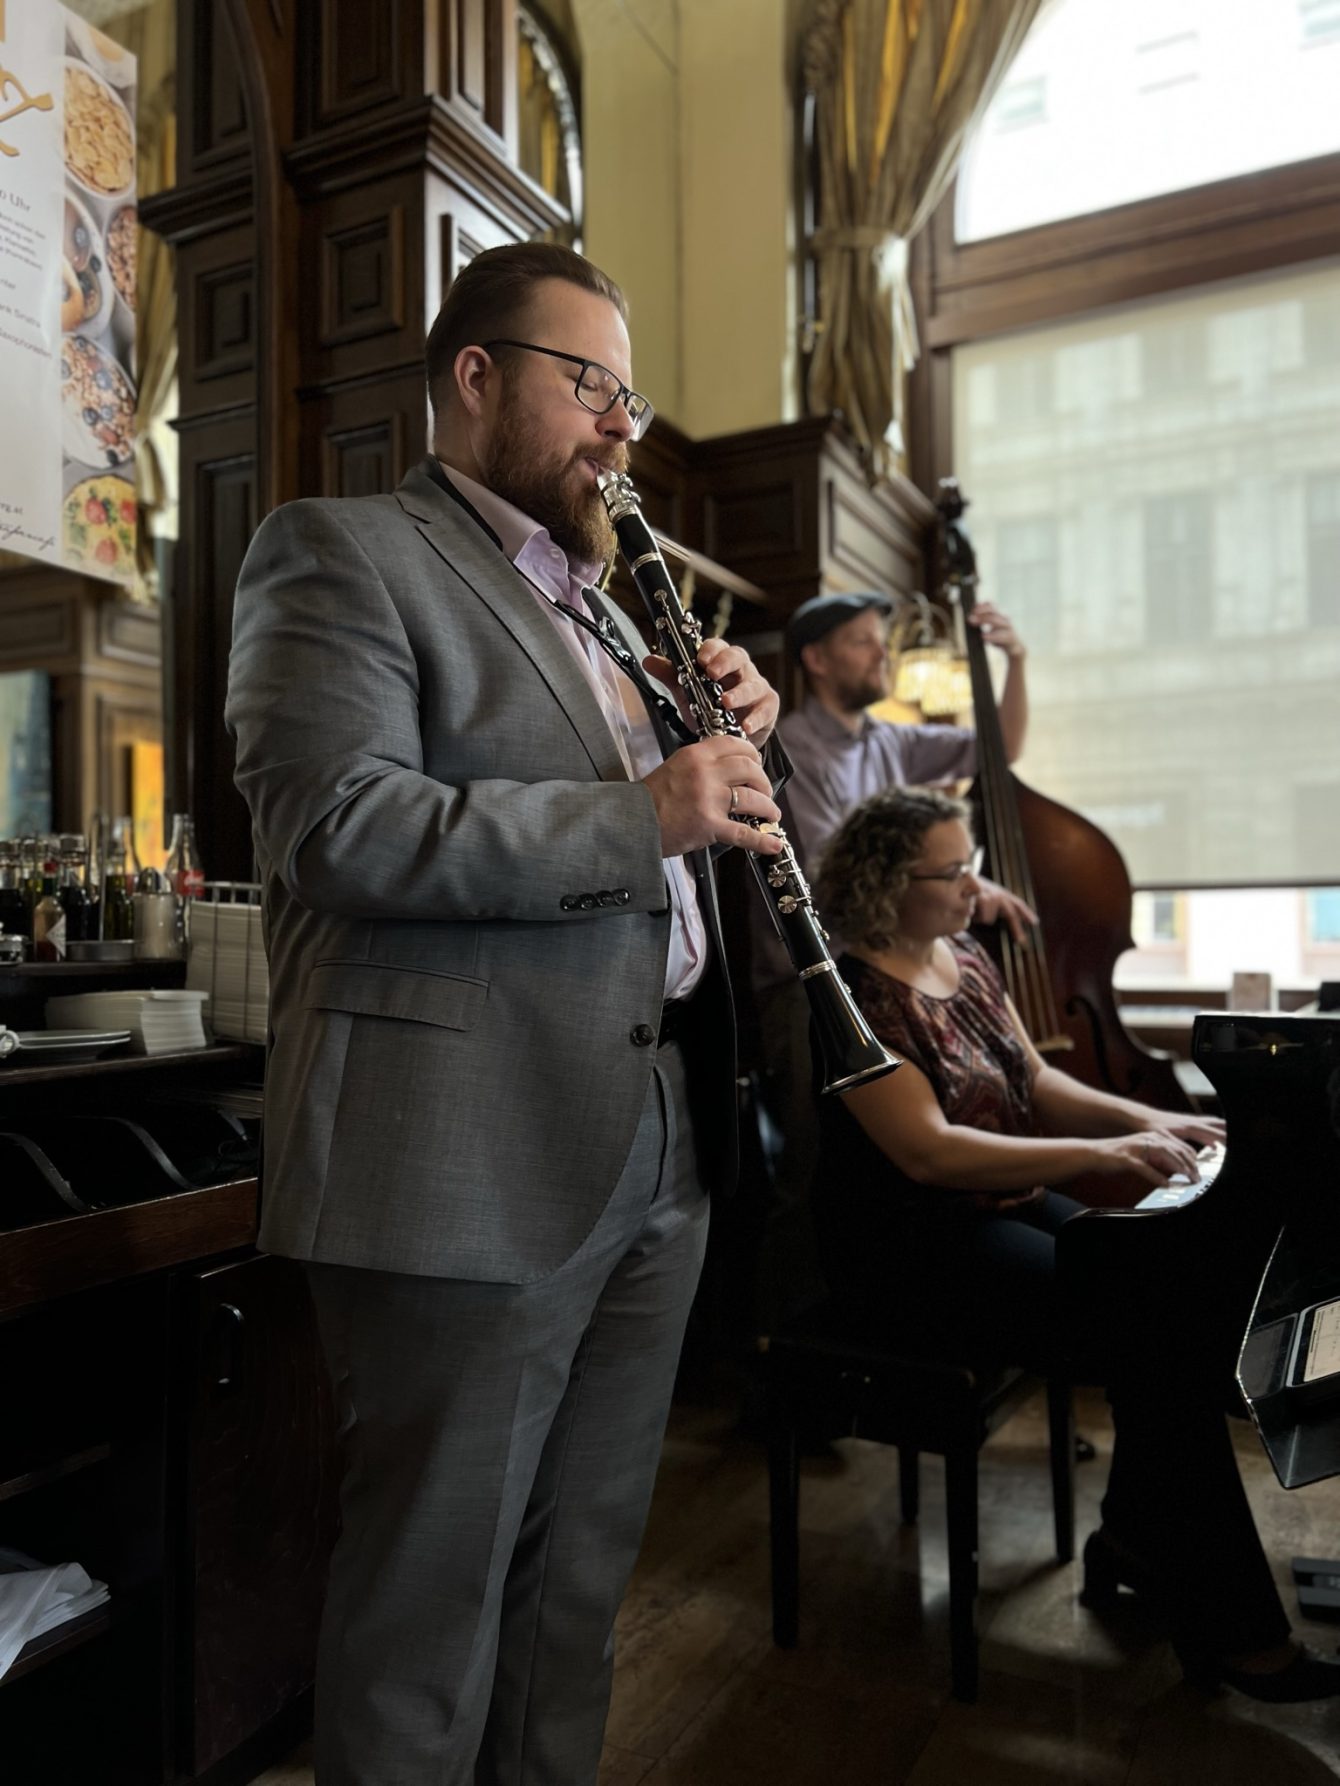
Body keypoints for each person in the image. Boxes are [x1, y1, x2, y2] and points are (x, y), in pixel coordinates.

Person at [225, 241, 787, 1784]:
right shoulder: (337, 549)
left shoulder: (612, 612)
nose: (623, 423)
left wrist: (737, 736)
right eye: (588, 382)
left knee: (577, 1582)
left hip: (654, 1126)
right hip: (459, 1148)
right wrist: (645, 809)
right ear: (475, 377)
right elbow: (336, 826)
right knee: (434, 1596)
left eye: (632, 393)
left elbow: (690, 843)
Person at [808, 785, 1340, 1700]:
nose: (977, 886)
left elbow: (1038, 1080)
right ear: (890, 884)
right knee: (1158, 1340)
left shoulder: (964, 956)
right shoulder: (849, 996)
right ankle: (1234, 1628)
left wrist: (1158, 1117)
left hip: (1000, 1206)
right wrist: (1104, 1151)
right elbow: (928, 1153)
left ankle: (1143, 1543)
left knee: (1162, 1294)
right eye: (954, 871)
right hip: (912, 1248)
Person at [750, 588, 1031, 1328]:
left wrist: (1015, 661)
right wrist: (953, 888)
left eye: (882, 640)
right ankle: (789, 1364)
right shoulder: (788, 748)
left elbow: (999, 753)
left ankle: (879, 1331)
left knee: (888, 1172)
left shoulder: (891, 740)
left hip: (878, 979)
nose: (882, 654)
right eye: (863, 642)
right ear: (815, 659)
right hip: (806, 989)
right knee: (807, 1173)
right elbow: (833, 888)